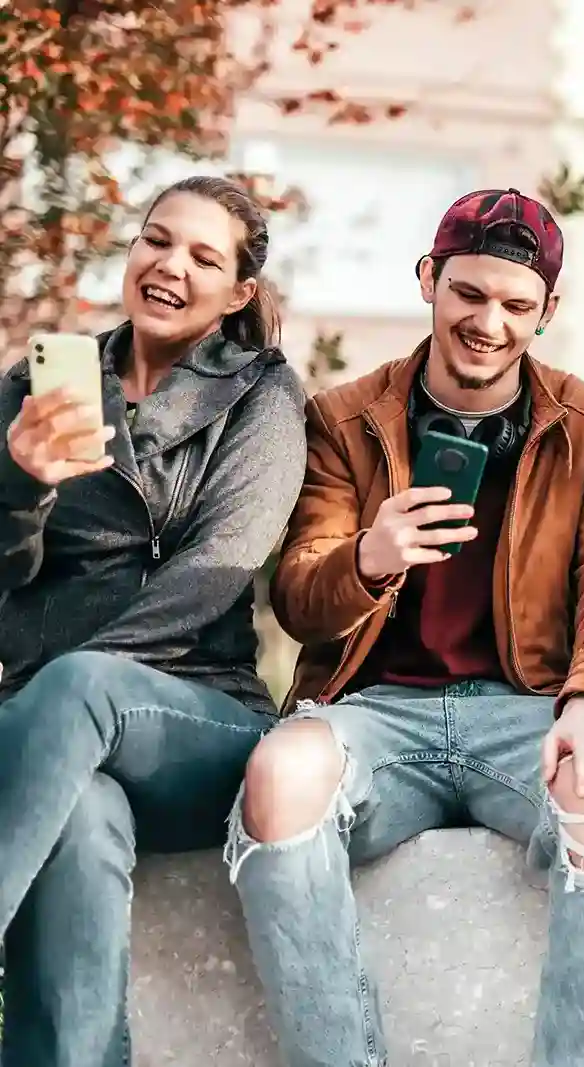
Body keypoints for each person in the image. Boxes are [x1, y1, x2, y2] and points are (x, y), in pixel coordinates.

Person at [228, 189, 584, 1067]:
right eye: (468, 294)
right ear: (429, 279)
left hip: (528, 706)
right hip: (376, 708)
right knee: (278, 775)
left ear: (547, 312)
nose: (488, 322)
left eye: (515, 305)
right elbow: (298, 600)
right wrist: (371, 558)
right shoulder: (342, 419)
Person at [0, 175, 307, 1066]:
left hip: (196, 717)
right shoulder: (39, 382)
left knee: (79, 688)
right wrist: (19, 482)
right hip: (60, 735)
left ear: (238, 293)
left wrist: (50, 692)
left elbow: (215, 577)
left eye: (203, 257)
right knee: (81, 819)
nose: (169, 266)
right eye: (154, 239)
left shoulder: (262, 397)